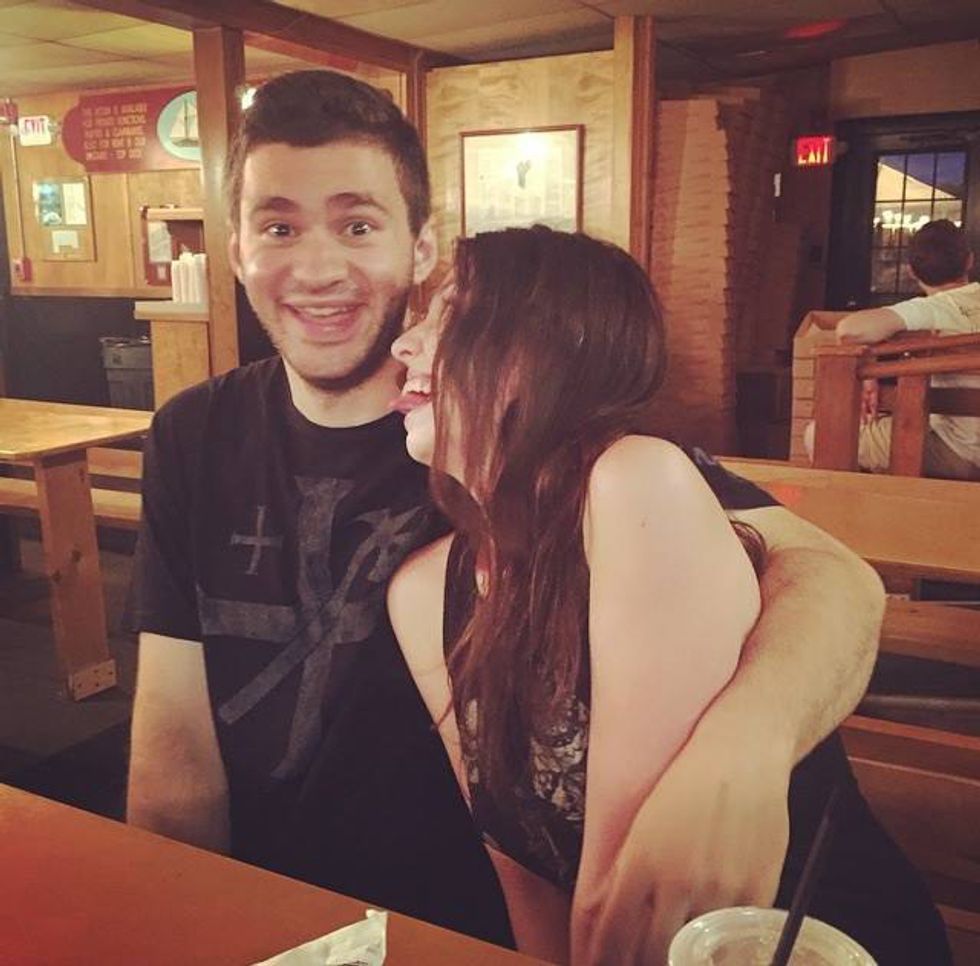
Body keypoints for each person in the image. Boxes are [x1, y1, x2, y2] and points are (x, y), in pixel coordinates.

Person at [129, 69, 886, 950]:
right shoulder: (200, 435)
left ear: (419, 248)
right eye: (279, 227)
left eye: (358, 225)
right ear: (235, 252)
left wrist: (748, 741)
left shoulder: (581, 465)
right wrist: (169, 925)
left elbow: (832, 577)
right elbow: (172, 750)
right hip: (297, 913)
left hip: (468, 922)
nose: (319, 267)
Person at [388, 225, 950, 965]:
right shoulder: (423, 592)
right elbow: (526, 880)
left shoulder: (636, 485)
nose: (404, 344)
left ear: (552, 348)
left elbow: (631, 899)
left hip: (809, 942)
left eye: (452, 314)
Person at [806, 219, 980, 480]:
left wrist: (870, 367)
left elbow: (850, 329)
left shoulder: (931, 309)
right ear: (969, 261)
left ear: (911, 272)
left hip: (958, 452)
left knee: (821, 434)